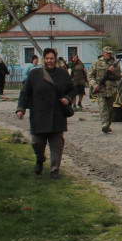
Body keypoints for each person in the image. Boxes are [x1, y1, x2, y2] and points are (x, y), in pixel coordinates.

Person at [15, 47, 75, 178]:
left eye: (51, 58)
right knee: (37, 142)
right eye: (47, 58)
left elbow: (72, 90)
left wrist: (67, 99)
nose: (49, 61)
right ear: (43, 59)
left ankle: (54, 170)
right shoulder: (34, 74)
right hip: (39, 114)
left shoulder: (63, 74)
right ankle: (40, 158)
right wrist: (21, 109)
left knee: (57, 144)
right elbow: (25, 93)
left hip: (57, 114)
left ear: (55, 59)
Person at [90, 46, 122, 134]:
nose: (109, 54)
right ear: (103, 53)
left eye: (110, 53)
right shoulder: (96, 63)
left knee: (110, 110)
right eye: (107, 53)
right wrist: (94, 85)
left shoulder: (114, 64)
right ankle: (104, 124)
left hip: (111, 89)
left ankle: (108, 125)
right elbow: (90, 76)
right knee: (103, 108)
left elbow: (119, 77)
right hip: (101, 89)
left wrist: (114, 71)